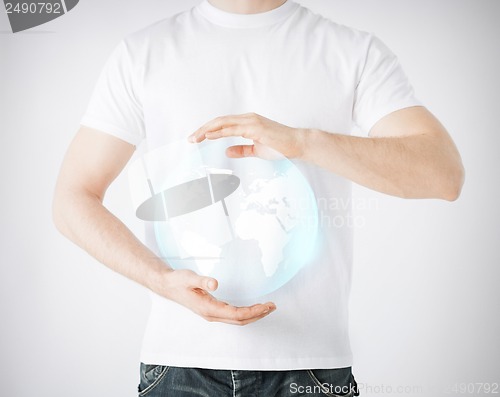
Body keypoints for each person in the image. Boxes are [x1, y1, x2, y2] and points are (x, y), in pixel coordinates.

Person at [52, 0, 465, 396]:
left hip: (312, 368)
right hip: (178, 364)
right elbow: (73, 198)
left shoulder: (351, 51)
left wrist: (302, 141)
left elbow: (443, 174)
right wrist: (160, 280)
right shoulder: (142, 52)